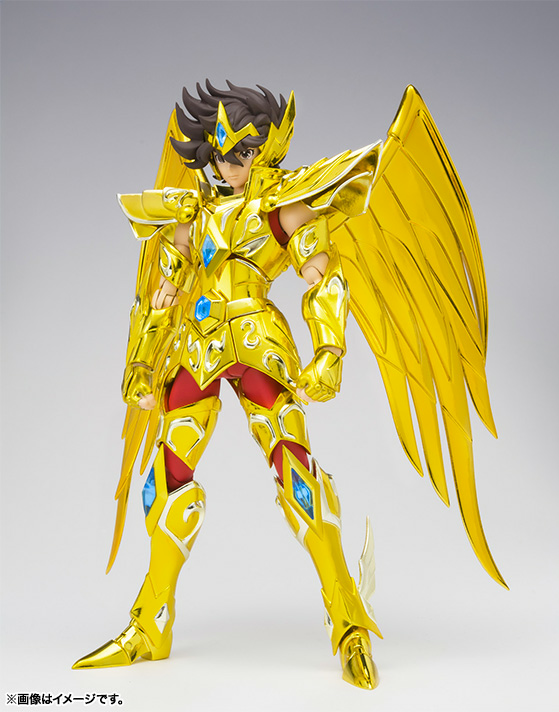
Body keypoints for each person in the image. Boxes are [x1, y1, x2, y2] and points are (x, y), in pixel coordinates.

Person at [73, 81, 506, 690]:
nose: (234, 167)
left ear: (266, 150)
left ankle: (347, 620)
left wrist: (329, 350)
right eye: (224, 155)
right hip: (197, 350)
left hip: (258, 346)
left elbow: (322, 276)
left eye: (246, 154)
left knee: (297, 475)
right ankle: (151, 623)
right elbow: (162, 296)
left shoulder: (283, 205)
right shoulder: (189, 215)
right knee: (165, 484)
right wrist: (141, 364)